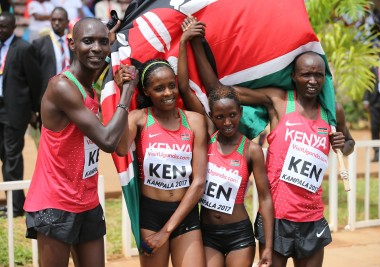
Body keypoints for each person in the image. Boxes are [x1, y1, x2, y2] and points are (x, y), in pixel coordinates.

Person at [184, 18, 355, 267]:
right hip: (276, 217)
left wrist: (342, 142)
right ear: (294, 76)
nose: (312, 81)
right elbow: (218, 90)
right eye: (306, 74)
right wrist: (198, 42)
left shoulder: (332, 111)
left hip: (312, 217)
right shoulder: (279, 101)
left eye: (318, 75)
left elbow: (349, 144)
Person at [23, 17, 137, 267]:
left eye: (102, 42)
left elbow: (97, 63)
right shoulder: (62, 87)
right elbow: (108, 141)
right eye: (88, 41)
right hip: (55, 202)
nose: (96, 48)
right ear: (71, 44)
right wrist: (127, 93)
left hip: (86, 200)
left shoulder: (89, 87)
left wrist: (110, 46)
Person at [177, 18, 274, 267]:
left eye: (232, 115)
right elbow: (184, 89)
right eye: (220, 117)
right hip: (208, 234)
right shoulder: (208, 136)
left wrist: (268, 248)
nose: (227, 122)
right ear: (212, 117)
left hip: (239, 236)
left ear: (240, 113)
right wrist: (185, 41)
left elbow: (265, 198)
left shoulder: (251, 150)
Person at [114, 59, 207, 267]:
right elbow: (120, 149)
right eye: (159, 88)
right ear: (146, 92)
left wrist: (165, 232)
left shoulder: (194, 122)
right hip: (150, 215)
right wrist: (124, 93)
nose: (168, 93)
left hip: (185, 213)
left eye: (171, 85)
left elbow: (199, 182)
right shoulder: (138, 118)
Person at [0, 12, 41, 217]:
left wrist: (35, 110)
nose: (0, 30)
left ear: (13, 26)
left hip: (15, 112)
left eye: (4, 27)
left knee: (12, 158)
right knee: (5, 157)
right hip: (0, 109)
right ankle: (14, 200)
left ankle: (16, 207)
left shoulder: (24, 48)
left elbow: (35, 82)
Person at [32, 7, 72, 130]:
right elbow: (34, 76)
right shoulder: (39, 44)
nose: (56, 23)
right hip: (47, 98)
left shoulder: (73, 43)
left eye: (60, 20)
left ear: (67, 22)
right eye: (53, 19)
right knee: (47, 136)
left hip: (71, 96)